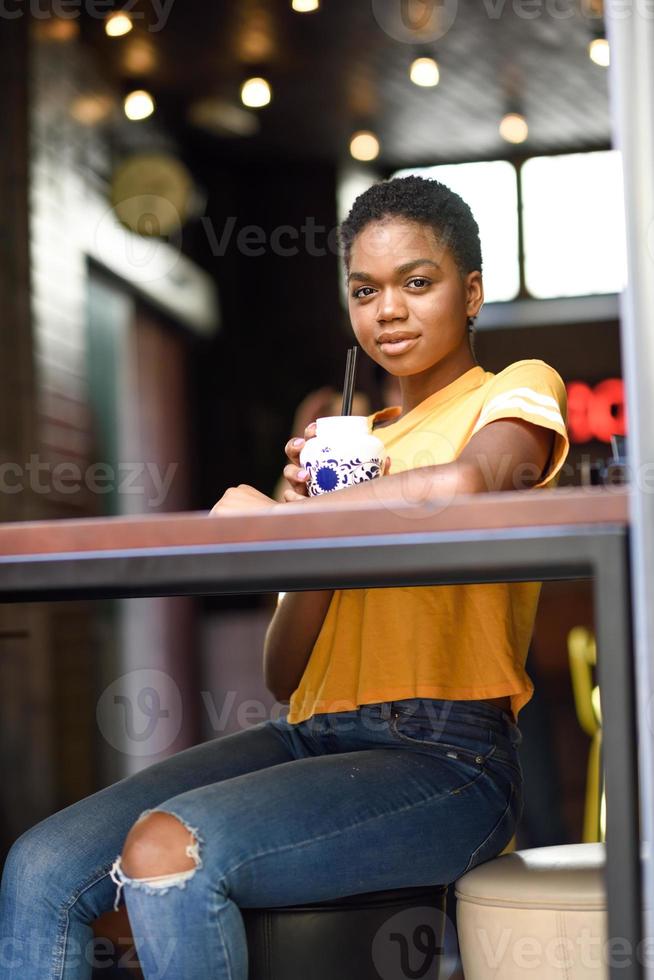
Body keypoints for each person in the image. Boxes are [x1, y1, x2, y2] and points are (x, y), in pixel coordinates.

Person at [0, 176, 569, 980]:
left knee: (170, 852)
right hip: (311, 734)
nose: (390, 311)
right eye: (365, 290)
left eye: (418, 282)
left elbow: (469, 485)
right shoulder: (345, 440)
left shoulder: (513, 391)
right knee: (41, 865)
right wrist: (304, 530)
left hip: (449, 759)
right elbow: (285, 671)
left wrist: (290, 521)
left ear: (470, 292)